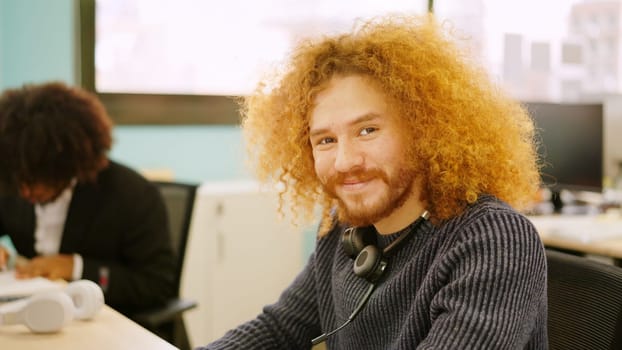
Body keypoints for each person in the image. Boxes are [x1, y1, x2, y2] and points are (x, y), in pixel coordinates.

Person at [199, 14, 547, 350]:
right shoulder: (344, 229)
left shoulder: (495, 238)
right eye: (326, 140)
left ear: (423, 131)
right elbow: (279, 331)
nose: (346, 161)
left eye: (368, 131)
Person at [0, 82, 176, 316]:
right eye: (19, 180)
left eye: (36, 179)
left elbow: (157, 285)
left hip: (109, 327)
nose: (25, 192)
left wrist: (74, 266)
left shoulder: (133, 194)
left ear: (67, 161)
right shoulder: (15, 183)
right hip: (37, 318)